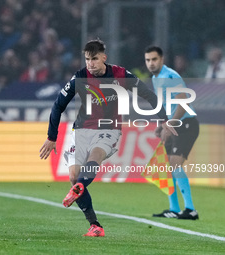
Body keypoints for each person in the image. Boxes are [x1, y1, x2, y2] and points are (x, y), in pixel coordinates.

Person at [39, 39, 177, 237]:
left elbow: (146, 93)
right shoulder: (80, 77)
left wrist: (164, 119)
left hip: (108, 129)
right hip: (81, 130)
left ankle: (80, 187)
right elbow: (58, 105)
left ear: (104, 57)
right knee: (73, 176)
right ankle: (94, 224)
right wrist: (52, 137)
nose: (90, 63)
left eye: (94, 59)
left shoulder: (120, 74)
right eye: (87, 59)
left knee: (96, 154)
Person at [144, 46, 199, 220]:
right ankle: (174, 209)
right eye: (148, 60)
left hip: (186, 124)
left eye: (154, 59)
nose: (151, 63)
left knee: (174, 164)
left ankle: (190, 210)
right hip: (176, 124)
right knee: (166, 166)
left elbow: (184, 102)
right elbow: (168, 105)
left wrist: (171, 124)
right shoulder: (156, 78)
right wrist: (162, 125)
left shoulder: (170, 76)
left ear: (162, 59)